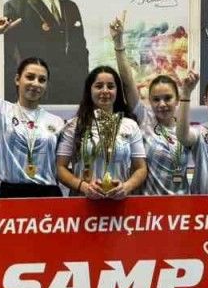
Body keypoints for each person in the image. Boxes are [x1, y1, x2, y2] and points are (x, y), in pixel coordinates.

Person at [0, 16, 65, 198]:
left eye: (42, 80)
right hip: (11, 195)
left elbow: (61, 168)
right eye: (30, 77)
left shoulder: (57, 122)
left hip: (48, 196)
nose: (35, 83)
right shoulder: (0, 110)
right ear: (17, 79)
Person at [111, 13, 195, 196]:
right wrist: (118, 43)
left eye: (167, 98)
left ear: (177, 99)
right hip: (147, 207)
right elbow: (127, 82)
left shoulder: (184, 129)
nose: (162, 104)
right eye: (156, 99)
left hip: (180, 205)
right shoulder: (144, 118)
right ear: (149, 101)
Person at [2, 0, 89, 105]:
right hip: (36, 98)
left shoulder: (71, 7)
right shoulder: (15, 7)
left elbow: (81, 54)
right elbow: (10, 62)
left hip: (71, 98)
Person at [56, 66, 147, 198]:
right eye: (99, 86)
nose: (105, 91)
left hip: (119, 203)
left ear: (117, 91)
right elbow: (60, 168)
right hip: (83, 203)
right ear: (90, 90)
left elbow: (141, 168)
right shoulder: (73, 126)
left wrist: (126, 187)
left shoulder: (130, 125)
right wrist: (84, 187)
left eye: (110, 86)